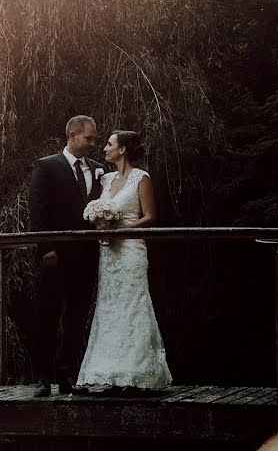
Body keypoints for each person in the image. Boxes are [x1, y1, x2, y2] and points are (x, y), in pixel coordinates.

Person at [76, 130, 172, 392]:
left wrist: (121, 230)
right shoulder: (105, 180)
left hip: (130, 249)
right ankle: (107, 370)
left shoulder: (141, 178)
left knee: (133, 303)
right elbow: (99, 209)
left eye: (109, 144)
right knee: (108, 306)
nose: (104, 148)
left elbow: (150, 216)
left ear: (123, 149)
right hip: (108, 253)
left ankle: (139, 371)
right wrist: (100, 224)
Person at [29, 115, 105, 397]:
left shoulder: (98, 170)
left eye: (95, 139)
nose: (93, 144)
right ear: (72, 135)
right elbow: (38, 210)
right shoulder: (46, 166)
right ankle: (42, 376)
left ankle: (67, 374)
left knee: (76, 316)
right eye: (89, 138)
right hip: (56, 256)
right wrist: (46, 247)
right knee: (48, 313)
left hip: (86, 257)